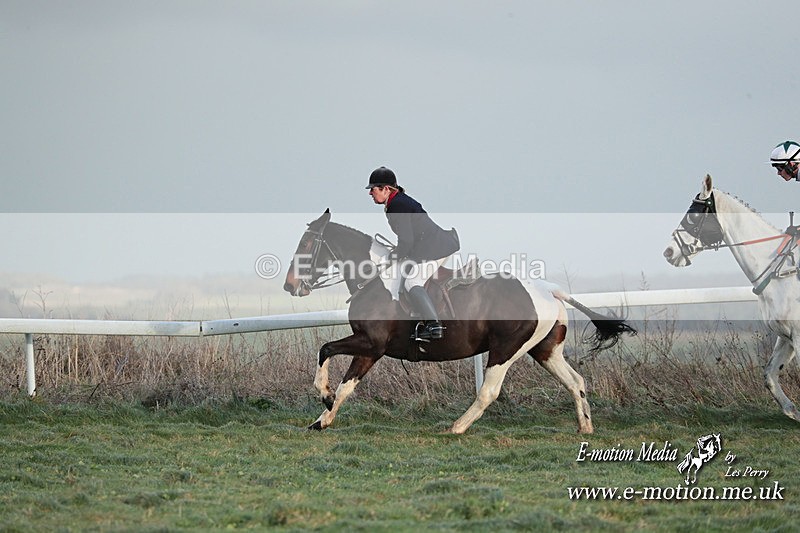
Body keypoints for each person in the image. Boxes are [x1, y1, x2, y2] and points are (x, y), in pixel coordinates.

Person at [366, 166, 460, 341]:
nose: (370, 193)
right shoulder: (396, 202)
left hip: (435, 249)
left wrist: (392, 258)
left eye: (373, 189)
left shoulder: (397, 205)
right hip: (427, 247)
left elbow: (407, 240)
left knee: (412, 281)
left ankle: (434, 325)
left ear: (386, 189)